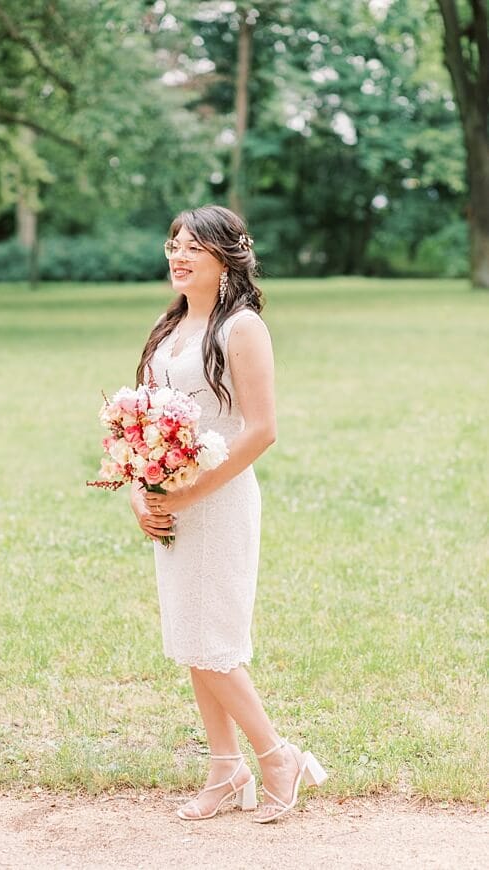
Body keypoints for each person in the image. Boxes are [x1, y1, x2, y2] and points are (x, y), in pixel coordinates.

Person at [129, 204, 326, 823]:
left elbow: (261, 429)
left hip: (220, 498)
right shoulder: (169, 329)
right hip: (171, 498)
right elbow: (142, 423)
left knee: (213, 641)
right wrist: (143, 489)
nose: (179, 257)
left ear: (226, 259)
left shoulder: (241, 328)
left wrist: (188, 493)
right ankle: (224, 768)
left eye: (195, 248)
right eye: (173, 246)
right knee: (189, 638)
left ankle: (276, 757)